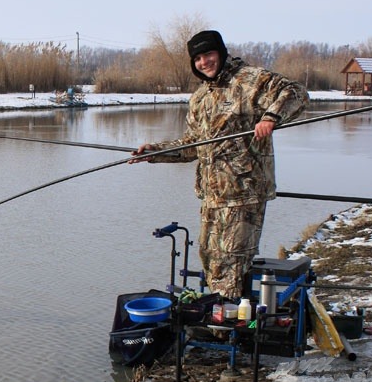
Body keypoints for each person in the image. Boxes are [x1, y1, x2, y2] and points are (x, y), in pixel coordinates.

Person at [129, 30, 308, 299]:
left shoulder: (250, 79)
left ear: (221, 53)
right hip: (212, 197)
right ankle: (222, 323)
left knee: (231, 264)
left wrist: (271, 117)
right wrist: (155, 153)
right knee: (211, 260)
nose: (204, 62)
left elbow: (296, 92)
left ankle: (227, 329)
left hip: (244, 194)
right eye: (198, 58)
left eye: (209, 54)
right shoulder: (200, 97)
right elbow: (192, 145)